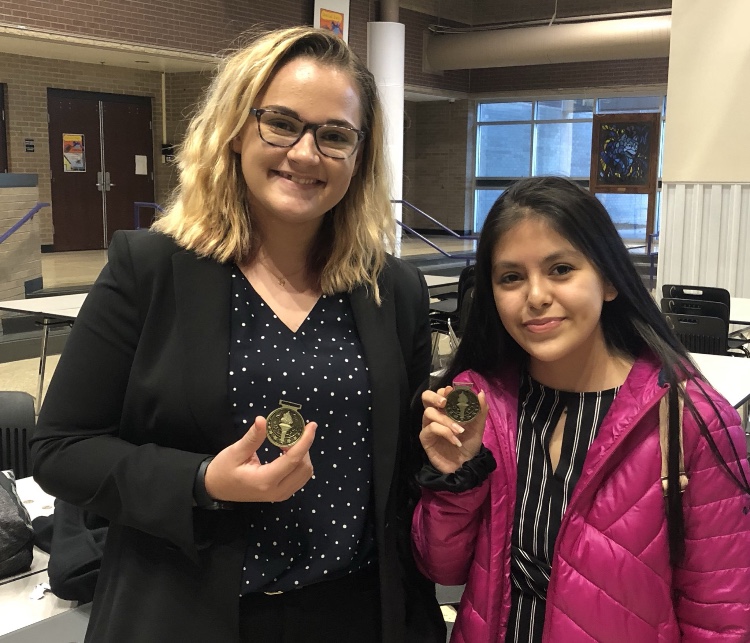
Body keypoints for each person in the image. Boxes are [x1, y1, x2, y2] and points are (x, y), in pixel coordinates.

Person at [31, 26, 445, 643]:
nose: (305, 153)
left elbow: (402, 465)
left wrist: (451, 460)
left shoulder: (394, 291)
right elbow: (60, 449)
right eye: (280, 123)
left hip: (355, 614)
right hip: (188, 613)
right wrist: (201, 482)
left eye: (334, 135)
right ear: (235, 129)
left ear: (359, 157)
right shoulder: (150, 270)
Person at [411, 176, 750, 642]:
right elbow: (441, 566)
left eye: (561, 269)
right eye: (511, 277)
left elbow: (722, 614)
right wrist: (456, 477)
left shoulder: (691, 419)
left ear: (609, 279)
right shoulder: (481, 405)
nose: (535, 296)